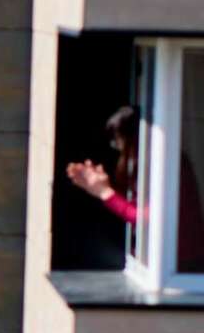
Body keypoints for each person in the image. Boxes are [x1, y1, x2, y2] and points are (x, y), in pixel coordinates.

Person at [67, 105, 204, 271]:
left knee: (90, 248)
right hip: (170, 261)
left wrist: (104, 192)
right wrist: (103, 187)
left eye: (118, 143)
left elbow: (144, 219)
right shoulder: (163, 161)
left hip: (179, 266)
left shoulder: (166, 165)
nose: (120, 151)